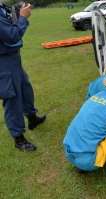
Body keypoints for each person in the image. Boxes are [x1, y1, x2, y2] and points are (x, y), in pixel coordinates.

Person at [0, 3, 46, 151]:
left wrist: (16, 10)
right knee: (13, 98)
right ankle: (18, 138)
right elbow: (12, 35)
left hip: (11, 58)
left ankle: (32, 118)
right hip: (4, 60)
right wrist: (23, 18)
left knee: (25, 88)